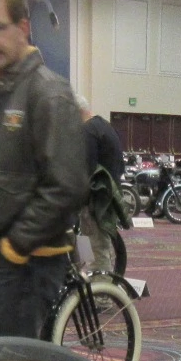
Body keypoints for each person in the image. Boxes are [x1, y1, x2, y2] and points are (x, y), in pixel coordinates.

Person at [0, 0, 87, 340]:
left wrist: (14, 248)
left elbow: (66, 186)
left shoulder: (47, 92)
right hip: (1, 259)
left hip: (26, 263)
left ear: (23, 27)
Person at [76, 95, 124, 273]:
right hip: (107, 195)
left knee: (97, 248)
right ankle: (90, 279)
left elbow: (86, 168)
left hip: (96, 199)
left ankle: (102, 297)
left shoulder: (87, 131)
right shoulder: (104, 126)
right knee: (89, 241)